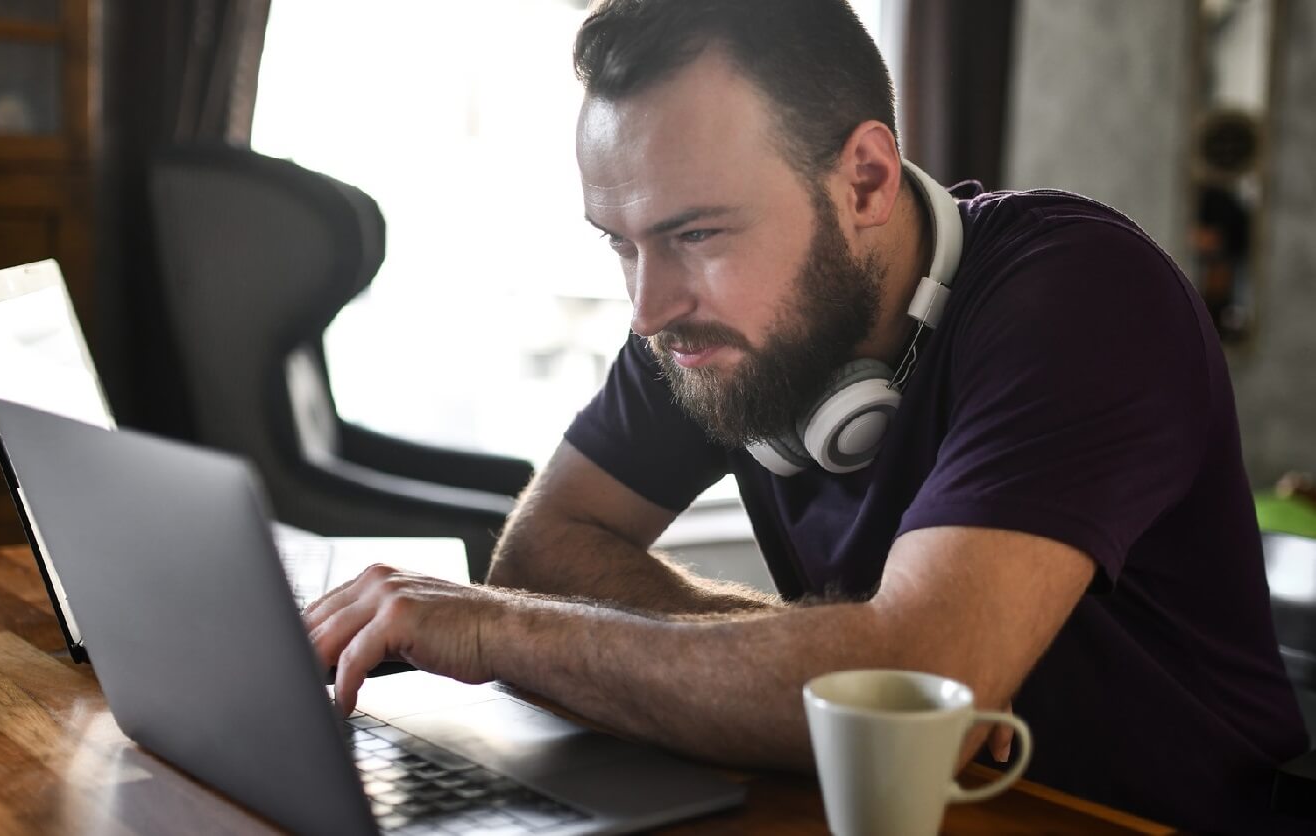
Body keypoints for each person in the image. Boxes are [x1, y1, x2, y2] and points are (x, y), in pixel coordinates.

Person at [304, 0, 1309, 830]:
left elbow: (920, 678)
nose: (646, 307)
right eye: (620, 242)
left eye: (694, 231)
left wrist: (501, 633)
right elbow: (545, 554)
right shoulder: (697, 315)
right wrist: (818, 656)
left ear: (864, 178)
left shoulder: (1080, 292)